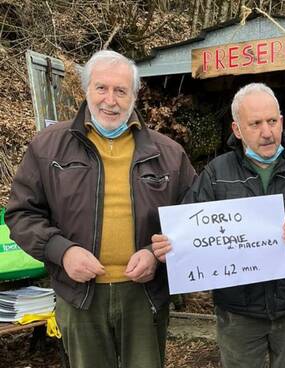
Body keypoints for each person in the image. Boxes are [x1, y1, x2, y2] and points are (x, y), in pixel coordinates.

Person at [5, 50, 196, 367]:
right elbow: (21, 214)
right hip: (78, 294)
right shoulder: (47, 147)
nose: (111, 100)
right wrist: (62, 252)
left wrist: (155, 253)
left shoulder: (169, 153)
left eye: (121, 90)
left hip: (145, 293)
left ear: (134, 95)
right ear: (86, 90)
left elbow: (193, 217)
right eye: (101, 88)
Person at [151, 82, 285, 368]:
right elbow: (187, 231)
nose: (267, 132)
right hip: (238, 309)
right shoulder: (217, 173)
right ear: (237, 129)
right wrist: (170, 246)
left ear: (282, 122)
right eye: (255, 124)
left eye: (272, 121)